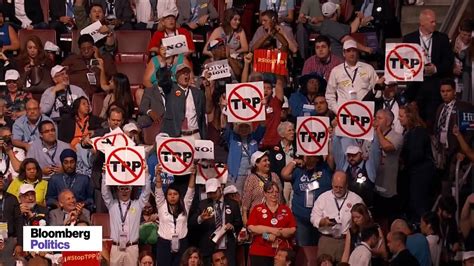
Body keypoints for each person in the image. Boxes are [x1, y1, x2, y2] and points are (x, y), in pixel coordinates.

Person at [402, 9, 454, 124]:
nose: (435, 24)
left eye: (435, 22)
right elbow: (403, 64)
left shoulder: (442, 38)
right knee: (416, 122)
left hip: (435, 87)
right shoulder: (409, 39)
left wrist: (435, 68)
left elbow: (449, 61)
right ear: (422, 23)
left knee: (432, 122)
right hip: (415, 89)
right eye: (432, 22)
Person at [101, 164, 151, 266]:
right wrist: (105, 175)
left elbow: (146, 193)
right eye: (122, 189)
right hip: (116, 247)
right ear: (117, 190)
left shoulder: (137, 204)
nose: (124, 191)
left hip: (132, 247)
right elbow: (105, 193)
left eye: (127, 188)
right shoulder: (112, 204)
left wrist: (146, 174)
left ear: (131, 190)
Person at [310, 171, 364, 262]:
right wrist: (322, 222)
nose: (338, 190)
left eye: (341, 187)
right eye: (335, 187)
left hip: (346, 241)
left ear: (347, 185)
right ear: (332, 184)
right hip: (327, 240)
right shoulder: (323, 198)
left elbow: (366, 218)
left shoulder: (356, 199)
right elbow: (313, 217)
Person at [281, 155, 333, 246]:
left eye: (310, 155)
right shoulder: (299, 170)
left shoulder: (325, 169)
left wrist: (327, 143)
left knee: (321, 249)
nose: (306, 157)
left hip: (321, 218)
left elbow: (330, 157)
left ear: (317, 158)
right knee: (303, 249)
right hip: (301, 219)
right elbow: (284, 174)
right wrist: (295, 162)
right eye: (305, 155)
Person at [190, 178, 243, 265]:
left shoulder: (233, 204)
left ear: (220, 188)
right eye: (209, 193)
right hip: (208, 247)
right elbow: (191, 223)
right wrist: (201, 218)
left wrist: (232, 226)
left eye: (214, 192)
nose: (212, 195)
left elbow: (239, 223)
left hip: (227, 247)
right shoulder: (202, 204)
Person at [399, 105, 435, 223]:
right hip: (415, 174)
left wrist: (403, 161)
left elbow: (417, 154)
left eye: (401, 116)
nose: (399, 119)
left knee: (419, 204)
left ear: (409, 117)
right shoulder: (410, 132)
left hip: (420, 176)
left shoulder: (418, 132)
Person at [325, 39, 383, 113]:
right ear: (343, 53)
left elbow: (377, 93)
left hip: (364, 112)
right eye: (348, 51)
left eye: (354, 50)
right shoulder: (336, 71)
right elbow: (329, 95)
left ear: (357, 52)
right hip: (344, 113)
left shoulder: (368, 68)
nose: (352, 53)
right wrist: (338, 111)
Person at [155, 164, 196, 266]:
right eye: (170, 194)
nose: (172, 196)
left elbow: (190, 190)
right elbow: (158, 189)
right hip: (164, 244)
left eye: (175, 194)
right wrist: (158, 175)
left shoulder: (185, 205)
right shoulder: (161, 204)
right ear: (166, 196)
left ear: (179, 195)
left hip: (182, 243)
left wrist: (192, 175)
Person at [247, 181, 296, 265]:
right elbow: (251, 228)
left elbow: (293, 229)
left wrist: (279, 233)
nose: (274, 194)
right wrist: (269, 232)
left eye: (276, 192)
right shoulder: (257, 209)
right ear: (265, 193)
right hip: (261, 252)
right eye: (270, 192)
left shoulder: (286, 209)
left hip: (281, 253)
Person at [433, 78, 473, 177]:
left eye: (448, 91)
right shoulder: (440, 107)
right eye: (442, 91)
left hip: (456, 151)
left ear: (454, 91)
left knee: (452, 180)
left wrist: (462, 151)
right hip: (441, 151)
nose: (445, 94)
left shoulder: (465, 107)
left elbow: (470, 133)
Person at [159, 64, 207, 139]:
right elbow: (162, 81)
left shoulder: (198, 93)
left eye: (187, 73)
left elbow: (203, 117)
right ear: (176, 76)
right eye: (182, 73)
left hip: (195, 135)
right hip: (178, 136)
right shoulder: (170, 90)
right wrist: (164, 68)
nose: (185, 75)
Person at [62, 34, 117, 99]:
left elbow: (114, 79)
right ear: (79, 49)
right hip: (75, 95)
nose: (86, 51)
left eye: (89, 48)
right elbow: (59, 73)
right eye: (83, 49)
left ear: (94, 47)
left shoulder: (105, 59)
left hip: (98, 95)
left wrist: (98, 58)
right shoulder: (72, 59)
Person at [332, 136, 381, 207]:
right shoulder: (344, 167)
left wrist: (373, 133)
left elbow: (375, 151)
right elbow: (337, 149)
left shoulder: (369, 167)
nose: (351, 158)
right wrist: (337, 132)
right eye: (349, 155)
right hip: (346, 209)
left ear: (361, 154)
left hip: (365, 209)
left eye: (354, 155)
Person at [373, 109, 403, 220]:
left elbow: (387, 147)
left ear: (388, 122)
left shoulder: (397, 136)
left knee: (387, 217)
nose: (375, 120)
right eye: (375, 117)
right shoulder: (371, 135)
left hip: (388, 184)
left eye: (379, 118)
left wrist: (378, 132)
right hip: (373, 182)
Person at [242, 151, 283, 225]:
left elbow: (281, 198)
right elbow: (245, 204)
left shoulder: (275, 176)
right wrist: (246, 224)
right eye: (265, 161)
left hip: (275, 219)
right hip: (258, 220)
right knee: (265, 236)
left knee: (274, 236)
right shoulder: (251, 179)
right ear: (257, 164)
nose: (268, 163)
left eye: (268, 160)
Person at [203, 8, 248, 74]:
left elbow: (245, 48)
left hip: (233, 59)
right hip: (218, 59)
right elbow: (205, 51)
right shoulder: (218, 30)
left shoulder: (240, 31)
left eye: (239, 20)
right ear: (228, 19)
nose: (238, 22)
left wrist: (233, 52)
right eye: (235, 20)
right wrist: (220, 54)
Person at [268, 121, 295, 204]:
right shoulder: (274, 150)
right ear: (282, 134)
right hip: (281, 183)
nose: (292, 133)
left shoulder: (298, 148)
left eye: (293, 130)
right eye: (289, 131)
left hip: (295, 182)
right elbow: (272, 169)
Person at [0, 173, 23, 264]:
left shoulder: (12, 198)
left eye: (1, 178)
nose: (0, 180)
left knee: (8, 262)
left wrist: (19, 244)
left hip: (9, 239)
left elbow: (19, 222)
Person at [453, 19, 473, 102]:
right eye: (464, 34)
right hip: (455, 81)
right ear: (459, 30)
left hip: (469, 81)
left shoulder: (472, 46)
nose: (467, 38)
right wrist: (453, 68)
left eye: (469, 35)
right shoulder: (451, 43)